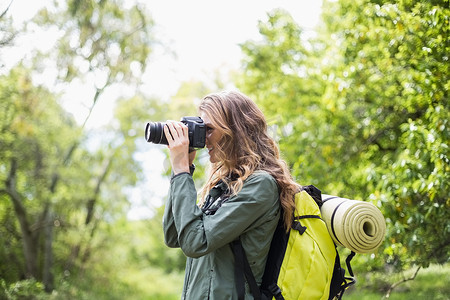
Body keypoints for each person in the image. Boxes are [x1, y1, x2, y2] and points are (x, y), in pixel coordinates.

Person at [162, 90, 299, 299]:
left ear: (235, 131)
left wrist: (181, 170)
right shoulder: (224, 186)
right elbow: (174, 235)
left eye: (208, 129)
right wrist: (183, 169)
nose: (203, 139)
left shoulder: (260, 185)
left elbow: (195, 241)